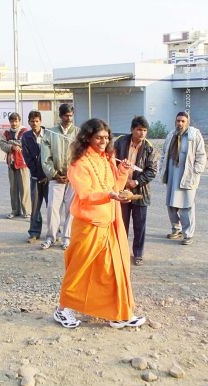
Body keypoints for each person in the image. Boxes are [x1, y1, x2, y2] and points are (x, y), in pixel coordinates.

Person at [54, 118, 146, 329]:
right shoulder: (78, 165)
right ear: (87, 138)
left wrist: (122, 171)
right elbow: (86, 194)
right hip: (88, 224)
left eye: (106, 137)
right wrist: (110, 194)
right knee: (79, 268)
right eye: (99, 137)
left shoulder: (107, 159)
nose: (104, 141)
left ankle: (118, 313)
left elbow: (116, 186)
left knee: (112, 269)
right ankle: (62, 310)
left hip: (109, 222)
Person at [114, 116, 157, 266]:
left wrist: (136, 181)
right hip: (122, 190)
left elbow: (152, 171)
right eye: (139, 129)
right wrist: (122, 181)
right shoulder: (120, 142)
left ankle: (138, 254)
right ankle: (121, 251)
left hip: (140, 193)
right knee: (121, 223)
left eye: (145, 130)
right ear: (132, 129)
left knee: (139, 225)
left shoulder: (149, 147)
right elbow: (112, 162)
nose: (142, 133)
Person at [160, 112, 206, 245]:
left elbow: (201, 155)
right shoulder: (171, 135)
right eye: (178, 121)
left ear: (188, 122)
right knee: (171, 204)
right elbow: (164, 154)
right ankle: (176, 229)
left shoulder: (194, 135)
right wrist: (162, 168)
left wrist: (196, 171)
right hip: (172, 175)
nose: (180, 123)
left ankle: (188, 235)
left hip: (187, 176)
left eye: (183, 121)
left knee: (187, 206)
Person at [40, 104, 79, 250]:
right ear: (60, 116)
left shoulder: (78, 133)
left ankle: (67, 238)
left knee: (71, 209)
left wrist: (72, 174)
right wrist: (54, 174)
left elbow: (81, 157)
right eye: (65, 115)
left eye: (70, 115)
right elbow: (45, 157)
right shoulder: (50, 133)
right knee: (52, 208)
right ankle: (50, 237)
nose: (68, 118)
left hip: (72, 179)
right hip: (56, 178)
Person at [22, 111, 48, 243]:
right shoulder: (26, 137)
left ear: (41, 121)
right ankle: (34, 233)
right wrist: (37, 174)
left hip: (49, 177)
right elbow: (27, 158)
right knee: (35, 206)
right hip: (36, 178)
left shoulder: (49, 134)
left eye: (37, 121)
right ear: (29, 122)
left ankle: (54, 232)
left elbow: (53, 155)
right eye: (32, 121)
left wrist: (48, 173)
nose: (35, 123)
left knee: (52, 206)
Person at [0, 112, 31, 219]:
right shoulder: (6, 133)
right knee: (13, 188)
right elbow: (2, 144)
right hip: (11, 163)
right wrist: (12, 146)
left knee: (24, 187)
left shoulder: (25, 131)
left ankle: (27, 211)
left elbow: (23, 142)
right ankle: (15, 210)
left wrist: (10, 142)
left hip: (22, 163)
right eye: (12, 121)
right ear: (9, 122)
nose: (14, 123)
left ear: (19, 121)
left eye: (16, 121)